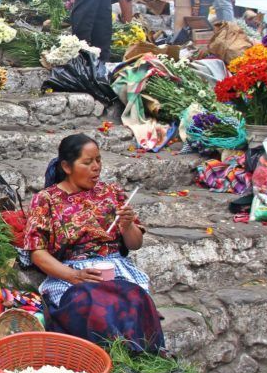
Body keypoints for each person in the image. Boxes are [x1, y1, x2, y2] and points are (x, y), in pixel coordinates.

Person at [25, 134, 163, 349]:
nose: (96, 167)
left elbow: (135, 244)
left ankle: (144, 359)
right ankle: (111, 362)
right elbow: (37, 252)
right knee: (95, 306)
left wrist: (127, 225)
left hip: (113, 266)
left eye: (98, 160)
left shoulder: (111, 193)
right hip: (71, 273)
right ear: (67, 166)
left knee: (134, 299)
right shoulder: (46, 200)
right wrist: (74, 276)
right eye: (87, 162)